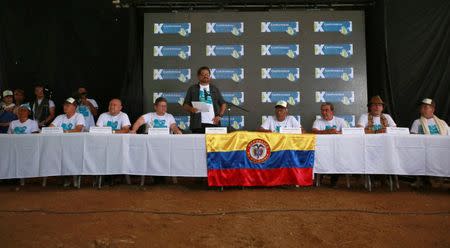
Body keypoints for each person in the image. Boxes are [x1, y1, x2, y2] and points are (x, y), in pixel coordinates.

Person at [410, 98, 449, 188]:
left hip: (440, 149)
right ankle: (420, 180)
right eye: (422, 107)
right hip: (424, 149)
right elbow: (412, 138)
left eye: (425, 107)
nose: (422, 109)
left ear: (433, 109)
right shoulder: (417, 122)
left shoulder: (442, 123)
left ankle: (440, 179)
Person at [312, 102, 349, 187]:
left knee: (338, 157)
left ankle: (334, 180)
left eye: (326, 110)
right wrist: (327, 132)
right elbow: (314, 131)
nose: (324, 112)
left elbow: (347, 132)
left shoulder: (340, 121)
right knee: (319, 156)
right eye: (322, 110)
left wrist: (337, 132)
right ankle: (319, 179)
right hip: (322, 149)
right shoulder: (318, 121)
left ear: (332, 111)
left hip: (337, 149)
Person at [183, 66, 227, 133]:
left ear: (209, 76)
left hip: (213, 123)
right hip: (197, 124)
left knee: (213, 144)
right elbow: (185, 105)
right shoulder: (192, 89)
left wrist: (220, 116)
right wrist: (191, 109)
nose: (205, 76)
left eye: (207, 74)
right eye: (202, 74)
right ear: (198, 76)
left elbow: (223, 104)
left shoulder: (214, 88)